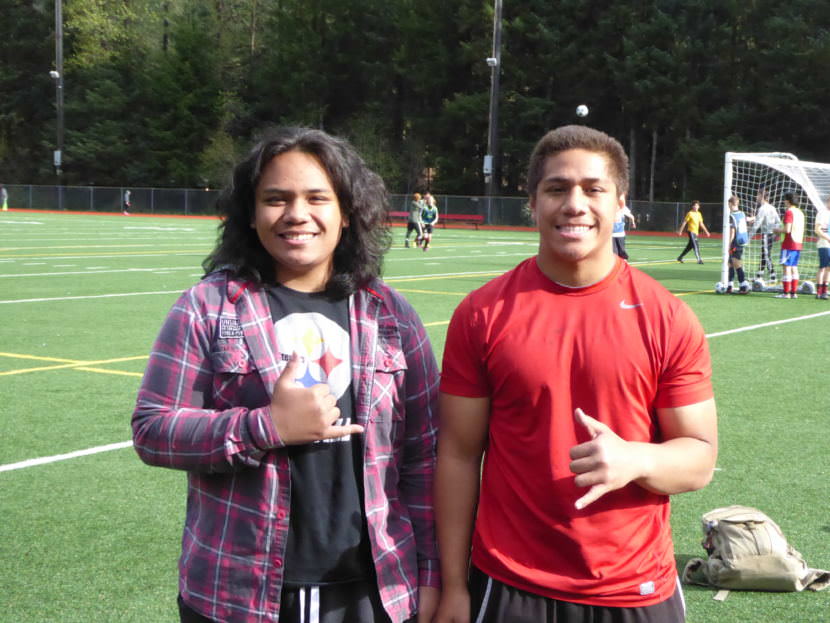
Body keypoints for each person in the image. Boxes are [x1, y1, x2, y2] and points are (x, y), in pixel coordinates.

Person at [132, 127, 440, 623]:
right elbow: (152, 429)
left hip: (374, 589)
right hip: (237, 593)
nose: (297, 214)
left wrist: (431, 575)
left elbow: (424, 459)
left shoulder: (392, 315)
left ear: (346, 213)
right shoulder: (208, 307)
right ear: (251, 216)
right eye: (276, 199)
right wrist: (266, 426)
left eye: (317, 197)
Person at [434, 125, 717, 623]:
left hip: (636, 585)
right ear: (532, 201)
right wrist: (453, 584)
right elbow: (458, 455)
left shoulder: (667, 316)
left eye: (593, 189)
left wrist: (634, 458)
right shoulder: (482, 314)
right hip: (509, 582)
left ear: (620, 203)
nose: (574, 204)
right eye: (557, 189)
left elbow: (698, 459)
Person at [774, 192, 805, 299]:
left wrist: (777, 230)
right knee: (794, 267)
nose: (783, 201)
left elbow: (787, 229)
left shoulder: (789, 212)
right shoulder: (800, 212)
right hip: (798, 242)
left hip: (789, 242)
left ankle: (786, 293)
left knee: (786, 267)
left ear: (787, 201)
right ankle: (794, 292)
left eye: (784, 199)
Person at [750, 187, 782, 282]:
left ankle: (773, 276)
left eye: (758, 195)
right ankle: (759, 276)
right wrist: (776, 232)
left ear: (761, 196)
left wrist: (749, 237)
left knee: (766, 255)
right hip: (771, 234)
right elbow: (778, 221)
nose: (756, 197)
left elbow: (757, 224)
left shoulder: (762, 208)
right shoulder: (772, 207)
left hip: (766, 235)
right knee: (764, 254)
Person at [726, 195, 752, 294]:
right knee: (730, 264)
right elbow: (747, 220)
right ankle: (730, 285)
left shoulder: (732, 216)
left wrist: (729, 244)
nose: (728, 206)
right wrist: (753, 217)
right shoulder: (742, 213)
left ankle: (743, 285)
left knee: (736, 264)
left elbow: (732, 231)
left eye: (729, 204)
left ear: (731, 204)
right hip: (742, 240)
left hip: (735, 242)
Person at [676, 200, 710, 264]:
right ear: (692, 206)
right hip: (691, 232)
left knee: (689, 247)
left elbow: (701, 224)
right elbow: (684, 222)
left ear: (699, 206)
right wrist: (680, 231)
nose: (695, 207)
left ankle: (680, 257)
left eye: (697, 205)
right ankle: (699, 259)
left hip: (696, 233)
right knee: (696, 245)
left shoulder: (699, 214)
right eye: (694, 205)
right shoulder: (690, 213)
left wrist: (707, 232)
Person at [815, 198, 830, 300]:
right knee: (823, 267)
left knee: (829, 269)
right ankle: (819, 291)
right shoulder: (822, 213)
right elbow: (817, 230)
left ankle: (825, 290)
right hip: (824, 244)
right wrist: (828, 238)